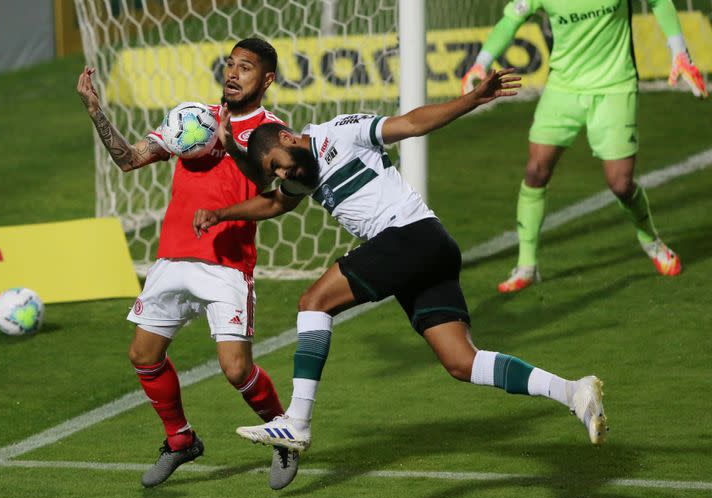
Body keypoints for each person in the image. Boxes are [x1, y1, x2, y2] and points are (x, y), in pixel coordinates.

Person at [192, 69, 608, 473]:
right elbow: (275, 203)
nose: (284, 176)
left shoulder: (339, 132)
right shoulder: (300, 172)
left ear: (288, 138)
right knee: (462, 362)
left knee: (313, 302)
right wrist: (222, 212)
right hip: (427, 250)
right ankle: (572, 392)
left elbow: (409, 123)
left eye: (280, 165)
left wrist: (470, 100)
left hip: (409, 234)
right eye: (276, 173)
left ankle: (296, 421)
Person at [76, 37, 299, 490]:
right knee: (143, 355)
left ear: (268, 80)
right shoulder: (190, 120)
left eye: (247, 68)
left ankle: (284, 432)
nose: (233, 74)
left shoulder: (269, 133)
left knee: (236, 369)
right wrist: (97, 111)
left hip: (226, 265)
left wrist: (234, 147)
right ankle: (180, 440)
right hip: (172, 259)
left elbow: (283, 192)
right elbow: (129, 159)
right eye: (230, 65)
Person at [460, 0, 707, 293]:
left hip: (615, 86)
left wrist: (679, 52)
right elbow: (510, 20)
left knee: (620, 183)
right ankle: (527, 266)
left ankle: (651, 240)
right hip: (563, 88)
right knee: (536, 170)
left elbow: (659, 2)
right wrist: (481, 63)